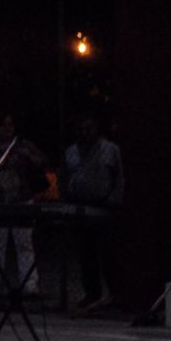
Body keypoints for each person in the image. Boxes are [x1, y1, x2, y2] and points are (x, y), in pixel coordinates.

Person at [0, 113, 48, 295]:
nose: (7, 129)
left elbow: (42, 162)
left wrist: (29, 156)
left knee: (24, 244)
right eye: (3, 125)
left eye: (10, 125)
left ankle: (29, 285)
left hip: (21, 200)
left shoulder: (22, 146)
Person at [62, 113, 125, 311]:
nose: (85, 132)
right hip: (80, 206)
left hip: (104, 206)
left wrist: (114, 201)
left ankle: (115, 293)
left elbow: (119, 177)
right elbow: (65, 176)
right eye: (82, 128)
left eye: (89, 128)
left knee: (107, 252)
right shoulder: (71, 152)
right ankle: (92, 292)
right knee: (85, 253)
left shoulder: (110, 150)